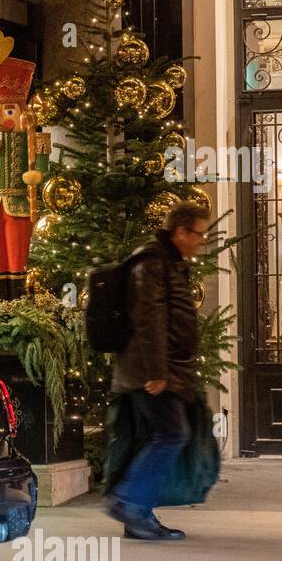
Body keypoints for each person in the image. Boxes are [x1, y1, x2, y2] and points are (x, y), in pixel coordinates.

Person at [106, 202, 209, 540]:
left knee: (158, 437)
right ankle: (129, 503)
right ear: (181, 231)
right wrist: (157, 372)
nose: (200, 242)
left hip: (160, 369)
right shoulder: (152, 262)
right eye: (198, 235)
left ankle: (137, 515)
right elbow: (148, 319)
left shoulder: (168, 262)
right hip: (148, 372)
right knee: (171, 434)